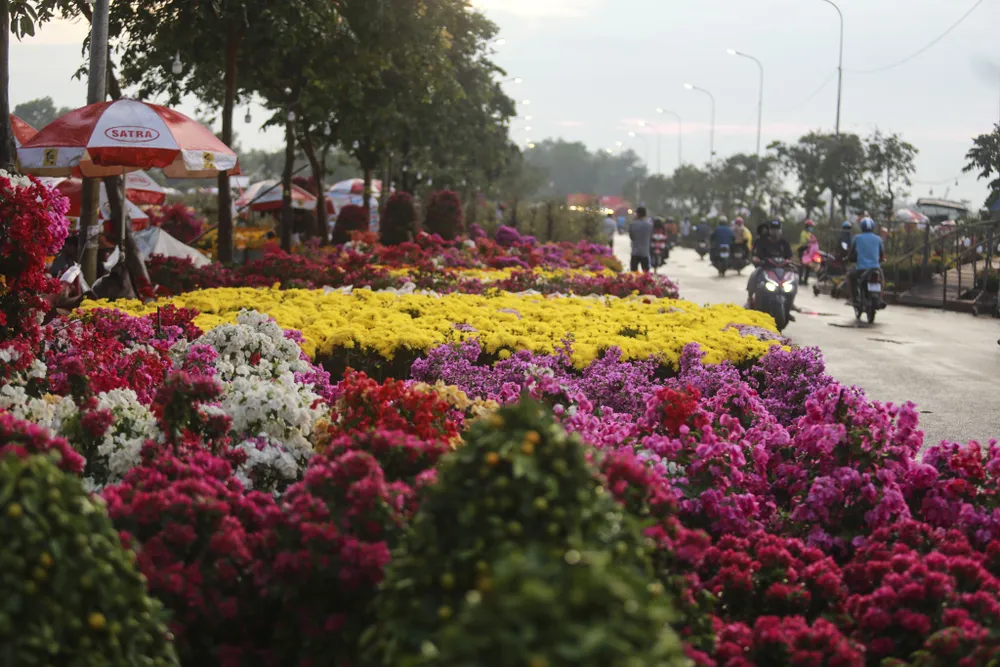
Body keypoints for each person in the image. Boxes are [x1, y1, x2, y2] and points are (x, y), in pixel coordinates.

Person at [746, 219, 794, 310]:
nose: (775, 231)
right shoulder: (762, 241)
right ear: (769, 230)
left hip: (782, 269)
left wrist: (789, 262)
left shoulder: (784, 243)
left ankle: (791, 302)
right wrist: (757, 260)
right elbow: (755, 255)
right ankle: (750, 298)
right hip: (765, 268)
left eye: (777, 229)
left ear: (781, 230)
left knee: (794, 279)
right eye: (773, 229)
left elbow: (790, 257)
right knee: (754, 274)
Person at [847, 217, 887, 308]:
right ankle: (880, 299)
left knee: (850, 276)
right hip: (875, 268)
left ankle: (854, 299)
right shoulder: (878, 239)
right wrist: (880, 259)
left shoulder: (857, 238)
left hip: (861, 269)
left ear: (861, 227)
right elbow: (882, 255)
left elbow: (851, 253)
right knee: (881, 281)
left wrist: (849, 258)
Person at [628, 207, 653, 272]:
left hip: (635, 252)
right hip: (645, 252)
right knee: (646, 274)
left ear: (637, 214)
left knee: (633, 273)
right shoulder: (649, 225)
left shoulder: (632, 224)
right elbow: (651, 236)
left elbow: (631, 237)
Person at [797, 219, 818, 285]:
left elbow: (813, 241)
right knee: (802, 265)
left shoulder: (810, 233)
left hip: (808, 251)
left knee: (808, 266)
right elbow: (805, 242)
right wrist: (810, 242)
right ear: (807, 226)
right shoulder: (803, 233)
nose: (811, 228)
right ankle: (800, 280)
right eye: (810, 226)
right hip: (802, 250)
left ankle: (805, 280)